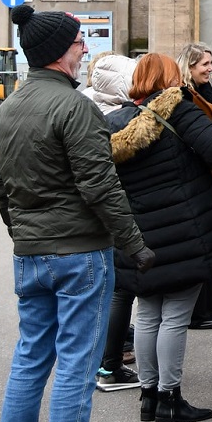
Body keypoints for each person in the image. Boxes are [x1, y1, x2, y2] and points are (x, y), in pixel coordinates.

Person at [0, 4, 153, 422]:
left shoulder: (8, 109)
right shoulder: (76, 107)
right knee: (77, 366)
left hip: (31, 251)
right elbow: (100, 184)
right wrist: (134, 244)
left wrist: (22, 233)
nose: (86, 49)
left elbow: (0, 186)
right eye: (80, 43)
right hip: (79, 251)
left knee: (30, 360)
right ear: (62, 53)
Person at [106, 53, 212, 422]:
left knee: (147, 313)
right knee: (176, 316)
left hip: (138, 235)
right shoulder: (178, 110)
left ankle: (148, 396)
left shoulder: (115, 121)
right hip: (185, 230)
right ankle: (170, 397)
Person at [85, 54, 144, 393]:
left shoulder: (88, 110)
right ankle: (110, 363)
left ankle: (110, 351)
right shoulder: (120, 120)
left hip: (98, 215)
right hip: (117, 213)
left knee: (107, 287)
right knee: (119, 289)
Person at [179, 41, 212, 332]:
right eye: (205, 65)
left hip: (209, 177)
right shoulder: (186, 97)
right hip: (197, 177)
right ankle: (198, 312)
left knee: (209, 242)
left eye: (211, 63)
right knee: (200, 245)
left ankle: (207, 309)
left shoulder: (203, 92)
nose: (210, 69)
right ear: (190, 66)